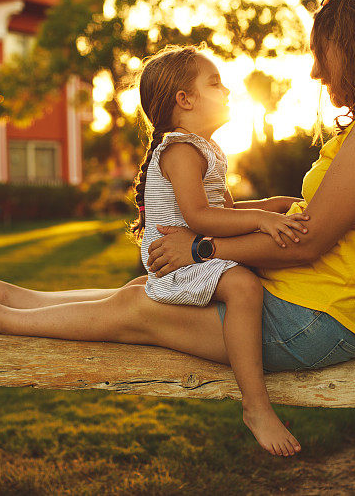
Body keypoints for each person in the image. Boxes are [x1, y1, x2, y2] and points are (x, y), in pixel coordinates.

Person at [0, 0, 355, 459]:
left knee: (138, 306)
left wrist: (200, 250)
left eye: (320, 56)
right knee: (141, 291)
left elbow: (305, 244)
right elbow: (311, 224)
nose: (315, 73)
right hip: (315, 304)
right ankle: (6, 295)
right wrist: (265, 215)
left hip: (319, 320)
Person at [127, 44, 310, 456]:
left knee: (257, 266)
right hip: (174, 260)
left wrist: (268, 206)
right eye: (215, 82)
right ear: (185, 100)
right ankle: (256, 405)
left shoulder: (202, 148)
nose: (227, 90)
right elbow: (200, 217)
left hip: (191, 248)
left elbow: (222, 210)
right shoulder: (181, 150)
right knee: (244, 286)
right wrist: (261, 221)